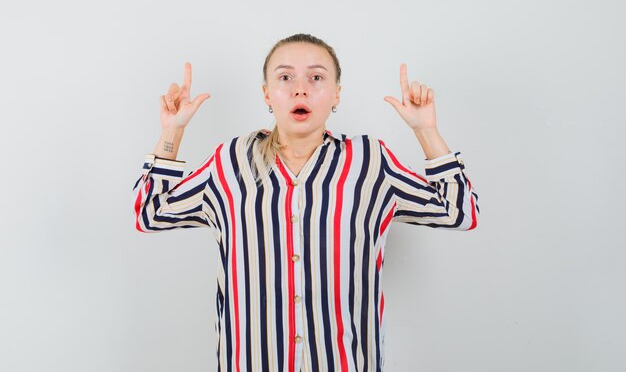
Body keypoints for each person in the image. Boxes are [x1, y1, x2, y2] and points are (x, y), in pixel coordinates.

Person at [132, 33, 479, 372]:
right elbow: (149, 213)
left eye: (316, 77)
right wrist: (173, 131)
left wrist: (425, 130)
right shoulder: (230, 161)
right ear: (267, 94)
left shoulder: (371, 161)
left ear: (336, 95)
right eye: (285, 77)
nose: (300, 88)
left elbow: (460, 212)